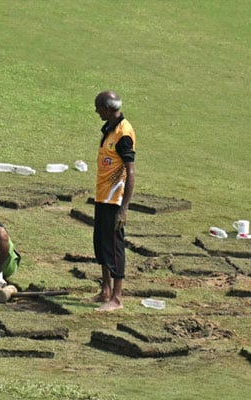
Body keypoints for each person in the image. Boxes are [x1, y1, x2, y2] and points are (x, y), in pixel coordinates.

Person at [90, 91, 136, 312]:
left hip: (114, 200)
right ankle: (105, 291)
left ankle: (117, 298)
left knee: (115, 247)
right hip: (102, 196)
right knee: (101, 244)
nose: (96, 111)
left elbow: (131, 171)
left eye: (98, 107)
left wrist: (124, 208)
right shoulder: (109, 129)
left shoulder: (123, 133)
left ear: (107, 109)